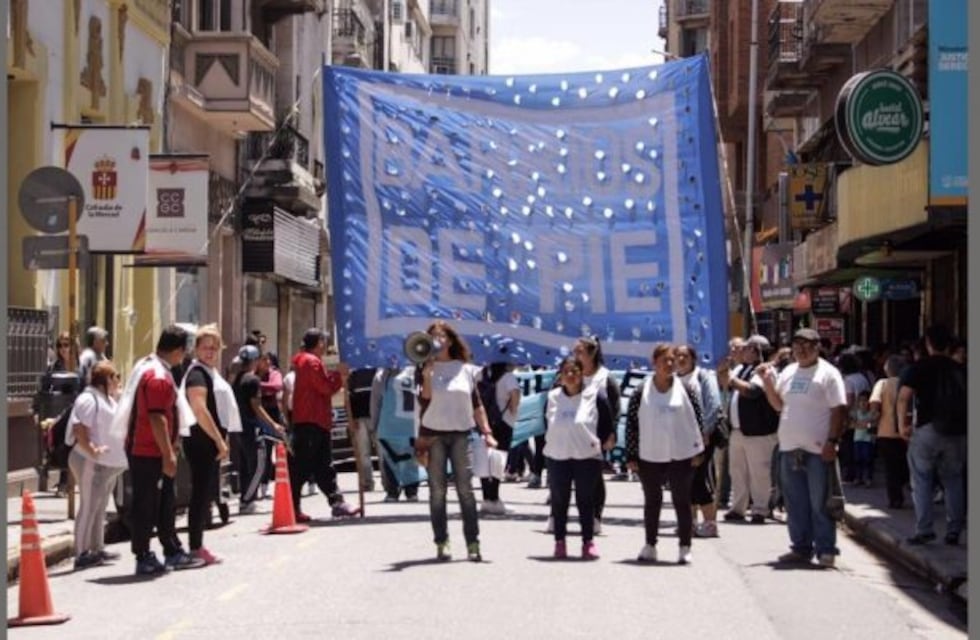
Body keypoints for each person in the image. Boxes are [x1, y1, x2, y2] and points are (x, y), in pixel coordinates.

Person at [117, 325, 205, 575]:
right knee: (147, 504)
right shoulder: (158, 377)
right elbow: (157, 418)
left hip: (150, 450)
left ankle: (171, 548)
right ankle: (143, 554)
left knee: (165, 502)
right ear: (178, 350)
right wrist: (168, 454)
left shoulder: (151, 366)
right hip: (148, 453)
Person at [759, 327, 848, 568]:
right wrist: (768, 384)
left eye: (807, 345)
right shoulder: (788, 371)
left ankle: (826, 549)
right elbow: (779, 405)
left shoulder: (828, 374)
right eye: (797, 345)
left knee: (820, 502)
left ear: (818, 347)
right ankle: (800, 548)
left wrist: (832, 441)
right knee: (795, 503)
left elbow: (838, 410)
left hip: (818, 450)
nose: (802, 350)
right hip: (789, 448)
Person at [415, 321, 496, 562]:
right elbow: (425, 399)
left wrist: (487, 431)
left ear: (450, 340)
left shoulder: (466, 369)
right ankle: (442, 541)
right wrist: (428, 372)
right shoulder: (422, 369)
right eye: (432, 337)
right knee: (437, 492)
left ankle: (472, 542)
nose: (437, 341)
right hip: (433, 434)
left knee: (465, 490)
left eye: (440, 337)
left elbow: (476, 403)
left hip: (461, 433)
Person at [626, 343, 705, 565]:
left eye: (673, 360)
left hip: (680, 454)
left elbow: (697, 420)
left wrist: (699, 451)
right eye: (664, 361)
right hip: (649, 454)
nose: (669, 364)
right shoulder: (641, 390)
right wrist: (631, 456)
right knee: (653, 500)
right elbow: (632, 424)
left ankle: (684, 547)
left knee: (682, 500)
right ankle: (650, 544)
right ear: (654, 363)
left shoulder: (687, 389)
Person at [897, 325, 968, 546]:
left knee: (921, 480)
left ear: (928, 343)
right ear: (950, 345)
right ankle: (954, 530)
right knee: (954, 480)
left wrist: (902, 425)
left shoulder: (919, 367)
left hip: (927, 428)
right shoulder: (961, 369)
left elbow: (903, 397)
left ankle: (924, 529)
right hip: (957, 431)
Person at [544, 356, 614, 559]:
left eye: (575, 371)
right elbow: (546, 423)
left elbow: (606, 425)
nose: (571, 375)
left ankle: (588, 542)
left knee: (586, 500)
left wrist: (599, 444)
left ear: (582, 373)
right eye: (566, 371)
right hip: (558, 455)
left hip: (587, 456)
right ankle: (559, 542)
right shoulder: (553, 396)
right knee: (559, 501)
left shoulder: (595, 395)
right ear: (560, 375)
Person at [289, 329, 360, 521]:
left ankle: (335, 502)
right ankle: (292, 507)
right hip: (311, 421)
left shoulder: (306, 361)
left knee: (321, 466)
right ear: (319, 342)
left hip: (314, 420)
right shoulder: (311, 362)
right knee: (303, 467)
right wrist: (339, 376)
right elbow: (324, 387)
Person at [179, 324, 235, 565]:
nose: (210, 352)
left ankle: (197, 545)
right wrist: (219, 440)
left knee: (204, 495)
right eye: (205, 347)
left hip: (209, 443)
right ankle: (195, 546)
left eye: (214, 347)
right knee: (200, 495)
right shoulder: (197, 374)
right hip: (201, 443)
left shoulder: (209, 372)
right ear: (196, 349)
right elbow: (199, 409)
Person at [68, 361, 126, 569]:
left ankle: (97, 548)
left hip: (106, 464)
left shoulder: (107, 399)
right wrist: (92, 450)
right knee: (88, 506)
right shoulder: (88, 398)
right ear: (105, 380)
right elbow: (79, 429)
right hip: (88, 461)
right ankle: (81, 553)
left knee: (99, 507)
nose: (117, 381)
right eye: (115, 377)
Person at [718, 335, 779, 524]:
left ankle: (760, 509)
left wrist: (730, 380)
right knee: (737, 471)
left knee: (759, 472)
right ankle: (738, 507)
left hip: (758, 431)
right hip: (738, 430)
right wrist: (723, 373)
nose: (742, 351)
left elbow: (753, 391)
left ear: (755, 350)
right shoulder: (740, 369)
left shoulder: (765, 371)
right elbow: (726, 384)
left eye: (746, 348)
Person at [570, 336, 621, 535]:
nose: (576, 356)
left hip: (597, 434)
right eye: (574, 352)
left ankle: (596, 516)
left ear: (592, 354)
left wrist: (611, 433)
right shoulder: (572, 374)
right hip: (574, 433)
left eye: (580, 352)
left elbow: (615, 408)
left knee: (594, 476)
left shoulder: (605, 377)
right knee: (575, 476)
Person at [674, 344, 722, 538]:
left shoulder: (703, 377)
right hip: (680, 438)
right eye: (677, 355)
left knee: (699, 479)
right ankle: (690, 522)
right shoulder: (674, 379)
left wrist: (705, 431)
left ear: (693, 358)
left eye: (685, 356)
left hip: (702, 437)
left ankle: (710, 523)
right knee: (684, 481)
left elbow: (714, 405)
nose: (681, 359)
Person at [233, 345, 285, 514]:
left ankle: (246, 497)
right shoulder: (253, 381)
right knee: (258, 466)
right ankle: (247, 500)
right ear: (255, 361)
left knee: (245, 466)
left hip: (239, 428)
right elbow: (256, 406)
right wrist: (273, 424)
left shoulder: (237, 379)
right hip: (252, 428)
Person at [371, 366, 422, 502]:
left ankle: (411, 490)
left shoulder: (417, 370)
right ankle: (392, 490)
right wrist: (374, 425)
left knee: (411, 457)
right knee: (389, 458)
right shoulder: (382, 374)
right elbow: (376, 401)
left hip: (411, 422)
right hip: (389, 423)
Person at [479, 361, 521, 515]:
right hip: (503, 421)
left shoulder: (482, 374)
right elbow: (514, 393)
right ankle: (494, 498)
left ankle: (485, 498)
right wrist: (513, 410)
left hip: (484, 422)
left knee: (484, 460)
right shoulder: (508, 376)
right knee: (499, 459)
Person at [869, 354, 909, 509]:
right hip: (906, 432)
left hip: (886, 431)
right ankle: (904, 487)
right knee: (905, 464)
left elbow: (874, 402)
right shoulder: (908, 383)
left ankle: (895, 498)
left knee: (891, 467)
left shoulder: (882, 383)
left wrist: (873, 419)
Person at [348, 366, 381, 493]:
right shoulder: (354, 373)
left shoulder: (378, 371)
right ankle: (367, 482)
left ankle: (388, 483)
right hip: (360, 418)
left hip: (377, 417)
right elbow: (350, 396)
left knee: (382, 452)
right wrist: (352, 419)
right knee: (363, 453)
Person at [850, 390, 875, 486]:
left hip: (868, 440)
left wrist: (864, 425)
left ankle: (868, 478)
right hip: (857, 439)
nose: (863, 403)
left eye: (865, 401)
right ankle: (858, 477)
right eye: (861, 401)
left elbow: (873, 423)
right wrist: (861, 424)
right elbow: (851, 424)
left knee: (867, 459)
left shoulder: (871, 413)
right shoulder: (856, 413)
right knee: (857, 459)